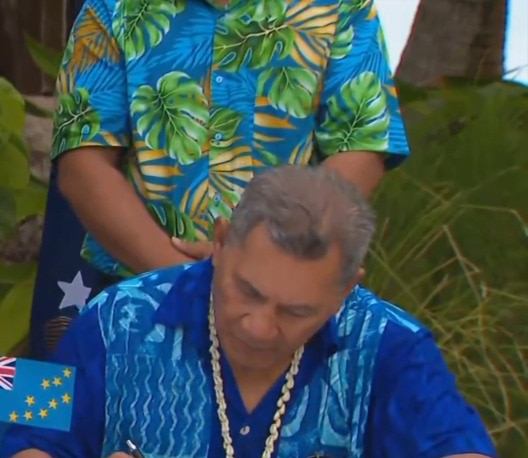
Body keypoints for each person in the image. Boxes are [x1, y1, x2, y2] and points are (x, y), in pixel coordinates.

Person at [0, 165, 511, 458]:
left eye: (298, 310)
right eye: (248, 291)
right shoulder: (110, 317)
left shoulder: (390, 342)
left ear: (346, 288)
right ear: (220, 243)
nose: (261, 326)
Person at [52, 0, 410, 279]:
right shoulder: (114, 7)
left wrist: (265, 260)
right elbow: (83, 167)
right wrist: (181, 276)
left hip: (290, 298)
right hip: (143, 296)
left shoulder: (341, 7)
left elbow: (361, 146)